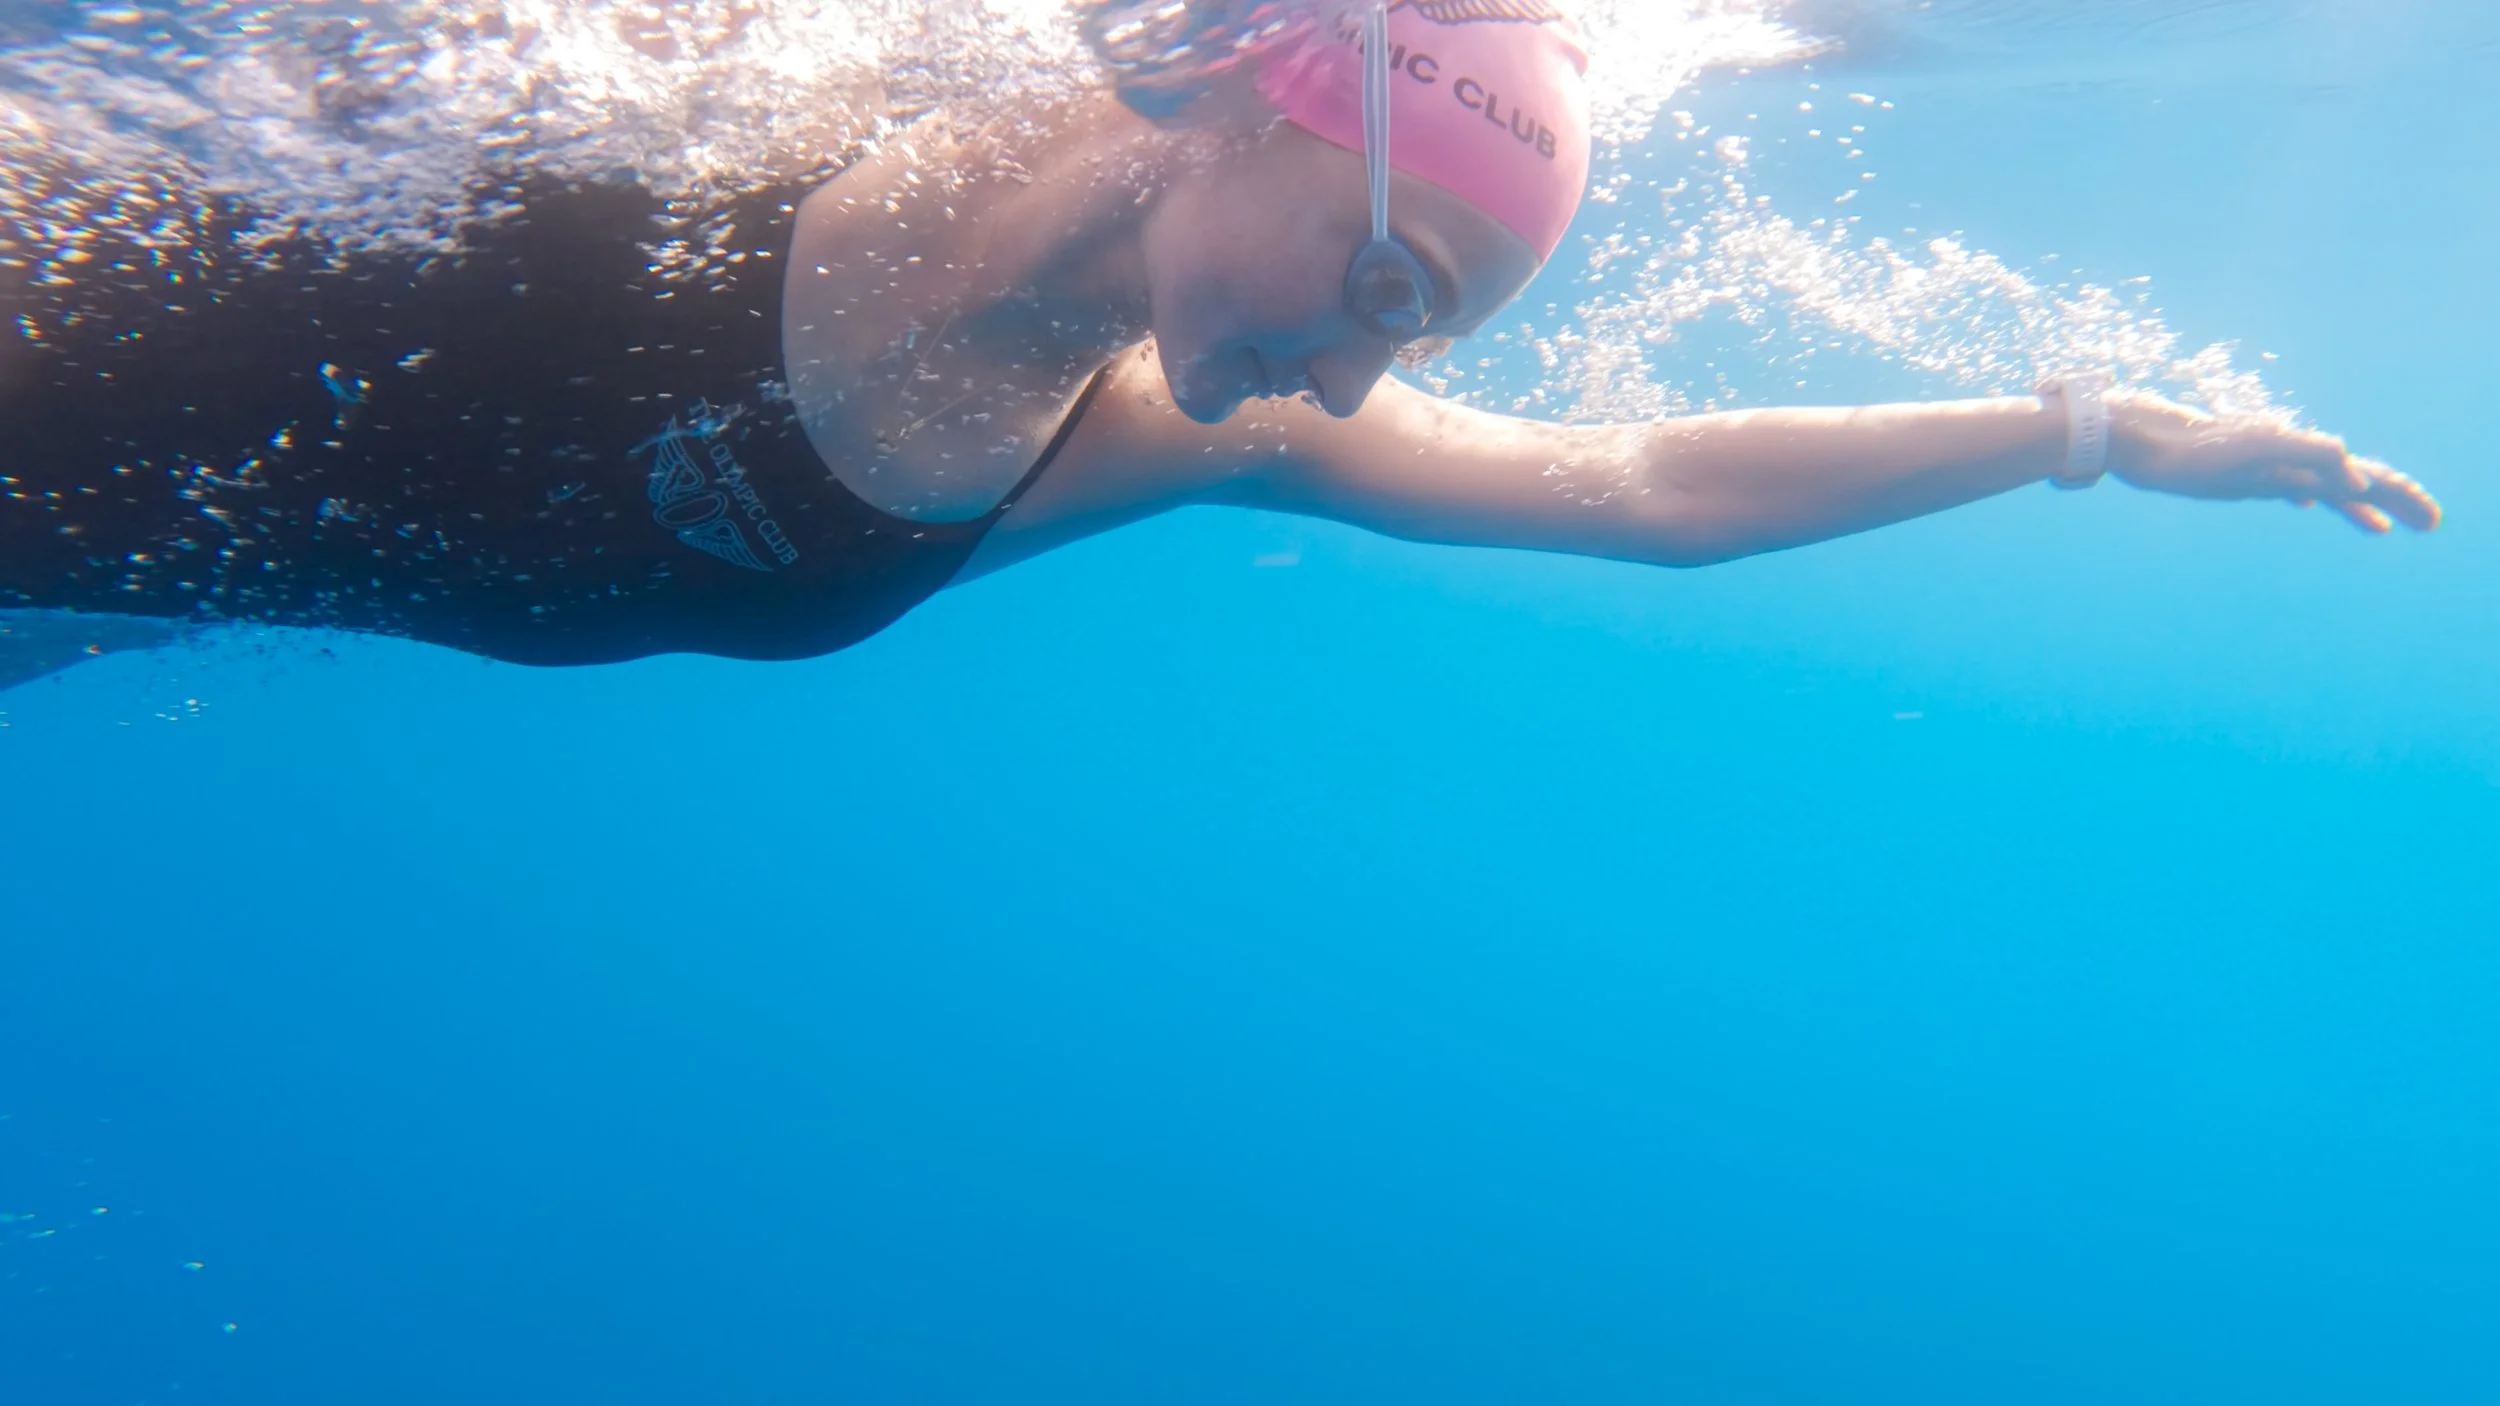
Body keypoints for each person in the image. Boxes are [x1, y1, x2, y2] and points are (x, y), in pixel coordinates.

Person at [0, 1, 2440, 676]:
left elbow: (1644, 494)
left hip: (87, 602)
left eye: (1423, 330)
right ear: (1268, 108)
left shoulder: (1150, 434)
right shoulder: (726, 82)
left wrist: (2089, 432)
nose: (1367, 377)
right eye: (1391, 284)